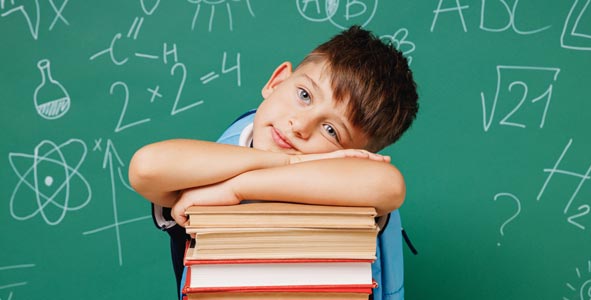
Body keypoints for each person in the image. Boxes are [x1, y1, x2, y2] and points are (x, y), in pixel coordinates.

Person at [129, 25, 419, 300]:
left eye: (331, 131)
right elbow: (146, 167)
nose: (300, 126)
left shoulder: (348, 183)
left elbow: (390, 186)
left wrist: (238, 189)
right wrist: (287, 161)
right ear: (277, 81)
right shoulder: (214, 159)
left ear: (354, 155)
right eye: (304, 95)